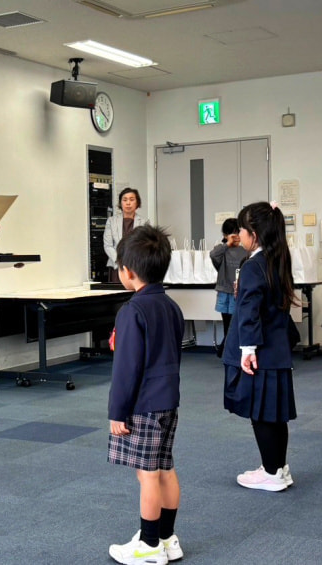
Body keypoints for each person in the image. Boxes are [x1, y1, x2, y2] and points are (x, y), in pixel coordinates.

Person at [106, 225, 185, 565]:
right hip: (168, 400)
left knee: (146, 474)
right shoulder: (171, 306)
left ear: (128, 271)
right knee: (165, 468)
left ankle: (149, 545)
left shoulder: (131, 311)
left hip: (143, 404)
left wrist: (117, 412)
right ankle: (168, 538)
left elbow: (126, 369)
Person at [222, 202, 298, 492]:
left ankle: (271, 472)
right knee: (274, 413)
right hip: (276, 350)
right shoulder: (276, 258)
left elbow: (250, 309)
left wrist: (248, 349)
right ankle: (277, 467)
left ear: (253, 233)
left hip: (260, 351)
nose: (239, 234)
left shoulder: (254, 265)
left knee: (261, 413)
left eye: (241, 228)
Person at [210, 218, 248, 357]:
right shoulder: (222, 250)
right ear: (226, 235)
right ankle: (226, 349)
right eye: (232, 234)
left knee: (235, 323)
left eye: (238, 233)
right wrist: (227, 243)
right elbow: (213, 255)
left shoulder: (245, 250)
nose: (236, 237)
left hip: (238, 292)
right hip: (224, 292)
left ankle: (225, 349)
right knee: (227, 323)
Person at [103, 188, 149, 284]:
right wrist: (120, 262)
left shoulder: (144, 222)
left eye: (132, 200)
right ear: (120, 203)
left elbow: (145, 246)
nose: (128, 203)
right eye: (125, 200)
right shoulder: (111, 221)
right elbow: (108, 245)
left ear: (137, 203)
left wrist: (133, 262)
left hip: (136, 267)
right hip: (117, 266)